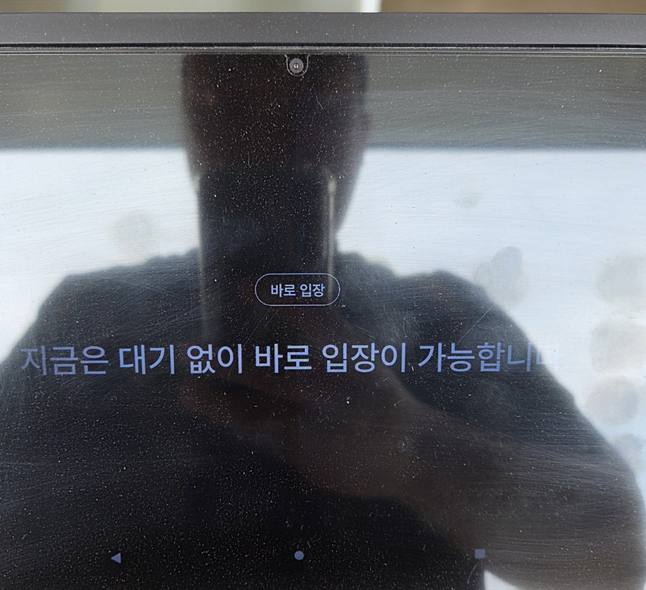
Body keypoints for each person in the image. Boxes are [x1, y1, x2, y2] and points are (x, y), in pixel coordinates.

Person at [0, 53, 643, 590]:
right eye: (224, 103)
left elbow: (618, 553)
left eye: (315, 107)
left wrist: (408, 446)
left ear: (361, 132)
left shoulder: (443, 316)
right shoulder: (87, 316)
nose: (269, 134)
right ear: (190, 125)